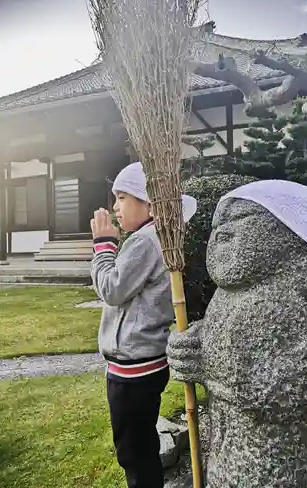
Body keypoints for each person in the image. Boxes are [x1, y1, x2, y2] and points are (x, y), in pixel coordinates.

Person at [90, 162, 196, 488]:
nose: (115, 207)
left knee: (134, 451)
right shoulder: (155, 236)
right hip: (145, 362)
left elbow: (111, 289)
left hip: (133, 367)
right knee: (139, 444)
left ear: (148, 202)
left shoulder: (145, 241)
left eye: (122, 197)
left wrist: (103, 245)